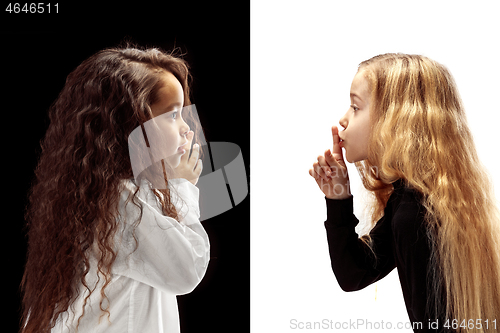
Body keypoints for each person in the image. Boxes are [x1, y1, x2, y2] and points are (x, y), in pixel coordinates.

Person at [21, 46, 209, 333]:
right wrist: (181, 187)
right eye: (172, 116)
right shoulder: (122, 203)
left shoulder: (98, 194)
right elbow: (186, 270)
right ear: (131, 125)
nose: (186, 128)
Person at [309, 53, 500, 332]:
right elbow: (354, 273)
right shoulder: (414, 199)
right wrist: (337, 197)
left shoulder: (415, 213)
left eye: (355, 107)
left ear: (395, 119)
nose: (343, 119)